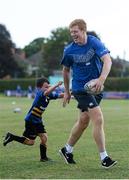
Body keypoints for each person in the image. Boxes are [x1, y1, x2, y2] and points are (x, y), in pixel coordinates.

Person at [59, 19, 117, 169]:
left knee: (83, 121)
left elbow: (107, 60)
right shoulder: (69, 50)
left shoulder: (94, 42)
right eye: (71, 32)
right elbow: (65, 70)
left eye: (75, 32)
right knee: (98, 118)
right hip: (80, 89)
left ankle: (67, 149)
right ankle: (104, 158)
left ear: (84, 30)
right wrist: (66, 91)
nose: (73, 35)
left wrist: (101, 79)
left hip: (95, 88)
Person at [3, 77, 63, 162]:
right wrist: (56, 85)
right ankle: (11, 137)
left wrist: (73, 93)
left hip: (38, 120)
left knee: (44, 138)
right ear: (39, 88)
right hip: (31, 120)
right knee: (31, 142)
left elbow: (60, 95)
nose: (48, 88)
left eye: (48, 86)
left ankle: (43, 158)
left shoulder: (48, 95)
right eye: (46, 86)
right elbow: (46, 92)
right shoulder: (40, 93)